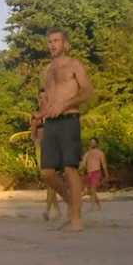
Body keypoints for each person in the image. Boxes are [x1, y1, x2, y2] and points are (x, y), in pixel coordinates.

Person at [32, 28, 95, 232]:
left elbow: (88, 92)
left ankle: (76, 218)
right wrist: (41, 114)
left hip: (69, 119)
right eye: (49, 41)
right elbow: (50, 101)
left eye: (56, 40)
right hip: (51, 123)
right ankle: (72, 202)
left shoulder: (73, 65)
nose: (52, 44)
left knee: (69, 169)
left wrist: (65, 104)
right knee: (47, 173)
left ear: (65, 43)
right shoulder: (47, 71)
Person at [30, 90, 62, 222]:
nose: (42, 100)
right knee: (48, 180)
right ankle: (57, 210)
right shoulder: (35, 116)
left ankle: (47, 210)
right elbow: (33, 136)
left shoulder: (53, 114)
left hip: (53, 149)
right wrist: (35, 132)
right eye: (40, 97)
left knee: (50, 180)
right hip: (40, 150)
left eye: (45, 97)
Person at [79, 137, 109, 211]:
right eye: (91, 142)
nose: (92, 143)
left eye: (94, 142)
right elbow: (83, 164)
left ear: (97, 143)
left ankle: (92, 206)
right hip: (89, 173)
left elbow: (104, 164)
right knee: (91, 191)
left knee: (93, 189)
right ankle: (98, 205)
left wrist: (106, 174)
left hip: (97, 172)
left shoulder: (100, 153)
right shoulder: (87, 153)